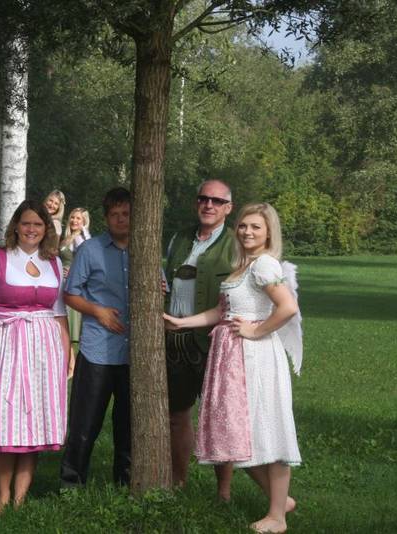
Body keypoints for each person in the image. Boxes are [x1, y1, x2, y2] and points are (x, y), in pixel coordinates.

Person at [164, 202, 302, 534]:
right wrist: (181, 322)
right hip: (232, 356)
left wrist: (255, 331)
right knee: (237, 434)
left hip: (255, 358)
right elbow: (220, 312)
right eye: (243, 226)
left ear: (268, 232)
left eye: (256, 227)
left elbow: (287, 307)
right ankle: (280, 501)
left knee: (267, 430)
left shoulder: (264, 264)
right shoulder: (243, 265)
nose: (247, 232)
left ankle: (277, 518)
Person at [0, 199, 71, 516]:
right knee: (5, 417)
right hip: (7, 343)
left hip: (45, 348)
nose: (31, 229)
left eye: (38, 224)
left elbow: (59, 312)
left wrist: (68, 352)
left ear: (46, 229)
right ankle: (3, 495)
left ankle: (21, 497)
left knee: (34, 421)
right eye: (26, 223)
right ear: (16, 226)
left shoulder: (53, 263)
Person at [165, 179, 235, 499]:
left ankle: (223, 492)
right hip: (175, 340)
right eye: (204, 199)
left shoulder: (235, 244)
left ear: (228, 208)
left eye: (217, 201)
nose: (209, 205)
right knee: (177, 414)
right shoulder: (179, 238)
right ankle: (179, 481)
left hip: (214, 341)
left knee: (220, 416)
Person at [60, 187, 132, 487]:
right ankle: (71, 484)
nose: (121, 219)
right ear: (105, 218)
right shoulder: (90, 250)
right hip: (97, 349)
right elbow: (70, 294)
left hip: (134, 353)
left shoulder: (145, 247)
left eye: (126, 213)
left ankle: (127, 484)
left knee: (129, 425)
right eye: (114, 214)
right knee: (85, 422)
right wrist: (98, 311)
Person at [59, 207, 91, 345]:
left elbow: (86, 259)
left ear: (84, 222)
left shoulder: (79, 238)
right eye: (72, 217)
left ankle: (71, 354)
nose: (74, 220)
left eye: (78, 218)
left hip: (71, 282)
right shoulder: (68, 237)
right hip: (62, 280)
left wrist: (72, 271)